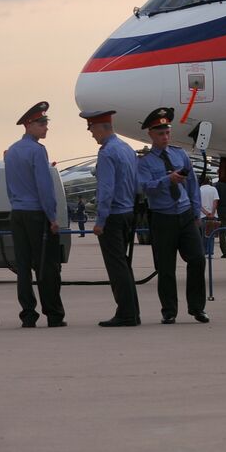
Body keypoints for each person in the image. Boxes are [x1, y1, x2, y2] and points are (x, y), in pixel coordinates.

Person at [135, 108, 208, 324]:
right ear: (151, 134)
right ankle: (169, 310)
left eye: (167, 132)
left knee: (197, 259)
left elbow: (193, 184)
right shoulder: (145, 162)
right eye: (160, 133)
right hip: (162, 217)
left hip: (185, 215)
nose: (165, 137)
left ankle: (197, 308)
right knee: (166, 267)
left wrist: (196, 211)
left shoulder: (180, 154)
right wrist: (167, 180)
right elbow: (144, 187)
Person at [5, 102, 65, 327]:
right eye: (42, 124)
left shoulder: (11, 151)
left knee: (22, 267)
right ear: (29, 125)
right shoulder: (37, 151)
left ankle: (28, 315)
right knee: (46, 266)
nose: (46, 128)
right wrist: (52, 218)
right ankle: (54, 315)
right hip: (36, 215)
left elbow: (10, 187)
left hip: (18, 214)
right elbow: (45, 188)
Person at [82, 109, 141, 327]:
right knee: (124, 265)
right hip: (127, 212)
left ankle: (126, 314)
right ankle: (133, 312)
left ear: (100, 128)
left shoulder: (107, 153)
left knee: (116, 268)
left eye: (91, 129)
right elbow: (136, 184)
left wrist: (100, 221)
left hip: (113, 216)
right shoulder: (126, 149)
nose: (91, 134)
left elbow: (106, 190)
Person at [199, 176, 220, 257]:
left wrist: (206, 212)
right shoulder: (213, 189)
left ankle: (204, 252)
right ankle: (210, 252)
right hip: (213, 215)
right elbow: (215, 201)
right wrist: (212, 213)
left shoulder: (199, 190)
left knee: (203, 235)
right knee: (211, 235)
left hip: (202, 215)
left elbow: (198, 204)